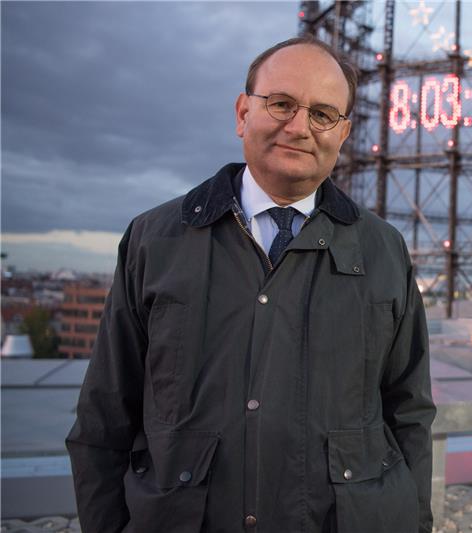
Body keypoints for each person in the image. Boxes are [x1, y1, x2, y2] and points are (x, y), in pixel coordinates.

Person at [66, 36, 435, 533]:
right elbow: (104, 416)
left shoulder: (383, 250)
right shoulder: (155, 240)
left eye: (324, 114)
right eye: (281, 103)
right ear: (242, 113)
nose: (300, 127)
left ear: (343, 133)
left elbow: (409, 413)